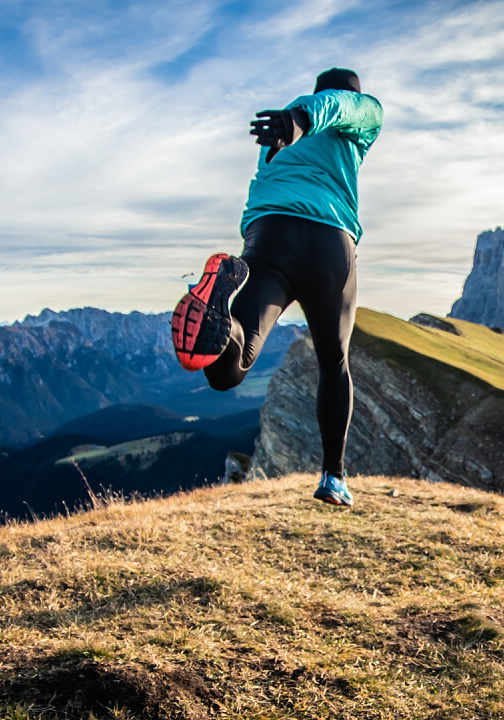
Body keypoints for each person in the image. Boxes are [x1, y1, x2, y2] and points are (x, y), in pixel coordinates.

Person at [171, 67, 382, 507]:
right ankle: (334, 477)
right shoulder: (355, 112)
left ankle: (221, 318)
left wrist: (292, 124)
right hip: (329, 240)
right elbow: (337, 107)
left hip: (268, 237)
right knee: (333, 360)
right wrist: (301, 120)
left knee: (227, 369)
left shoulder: (279, 132)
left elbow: (308, 122)